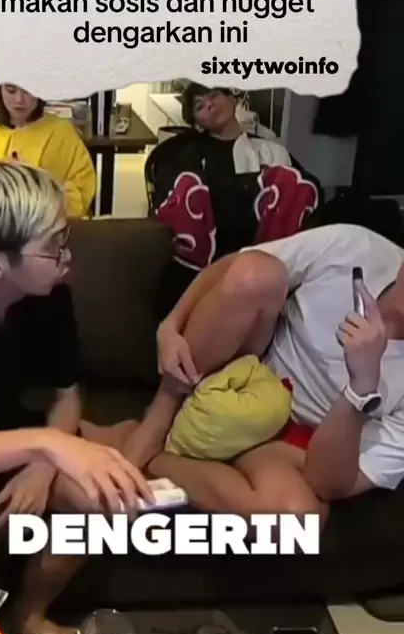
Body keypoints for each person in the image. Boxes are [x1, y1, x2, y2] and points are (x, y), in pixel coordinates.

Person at [0, 159, 151, 634]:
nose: (66, 258)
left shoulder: (51, 298)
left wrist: (43, 465)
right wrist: (45, 445)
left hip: (10, 435)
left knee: (100, 499)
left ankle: (27, 615)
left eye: (65, 240)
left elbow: (68, 396)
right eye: (53, 247)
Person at [111, 223, 403, 526]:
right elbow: (234, 265)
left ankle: (154, 456)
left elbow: (330, 484)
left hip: (294, 441)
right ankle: (159, 418)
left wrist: (361, 388)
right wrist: (170, 325)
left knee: (296, 522)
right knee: (257, 273)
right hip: (242, 367)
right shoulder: (355, 246)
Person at [146, 83, 321, 315]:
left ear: (233, 99)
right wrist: (251, 188)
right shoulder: (184, 155)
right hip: (213, 245)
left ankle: (267, 272)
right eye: (199, 105)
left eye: (214, 95)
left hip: (262, 244)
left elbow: (295, 197)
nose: (209, 104)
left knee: (290, 181)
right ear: (197, 123)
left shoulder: (271, 151)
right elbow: (180, 198)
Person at [0, 84, 96, 218]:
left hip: (50, 224)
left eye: (27, 91)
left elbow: (82, 187)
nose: (19, 99)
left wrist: (47, 202)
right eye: (11, 90)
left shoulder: (62, 132)